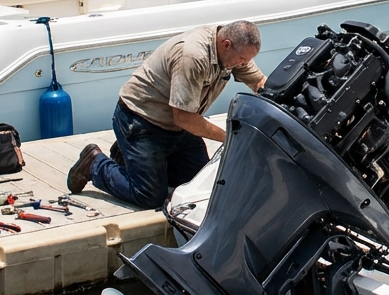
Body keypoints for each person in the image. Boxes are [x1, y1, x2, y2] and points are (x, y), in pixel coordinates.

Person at [67, 20, 267, 208]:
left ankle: (128, 156)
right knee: (149, 196)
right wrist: (229, 137)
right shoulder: (193, 56)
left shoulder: (231, 53)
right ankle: (94, 164)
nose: (244, 64)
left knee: (197, 186)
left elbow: (260, 83)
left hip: (177, 127)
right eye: (242, 60)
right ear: (226, 45)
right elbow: (184, 117)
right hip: (141, 121)